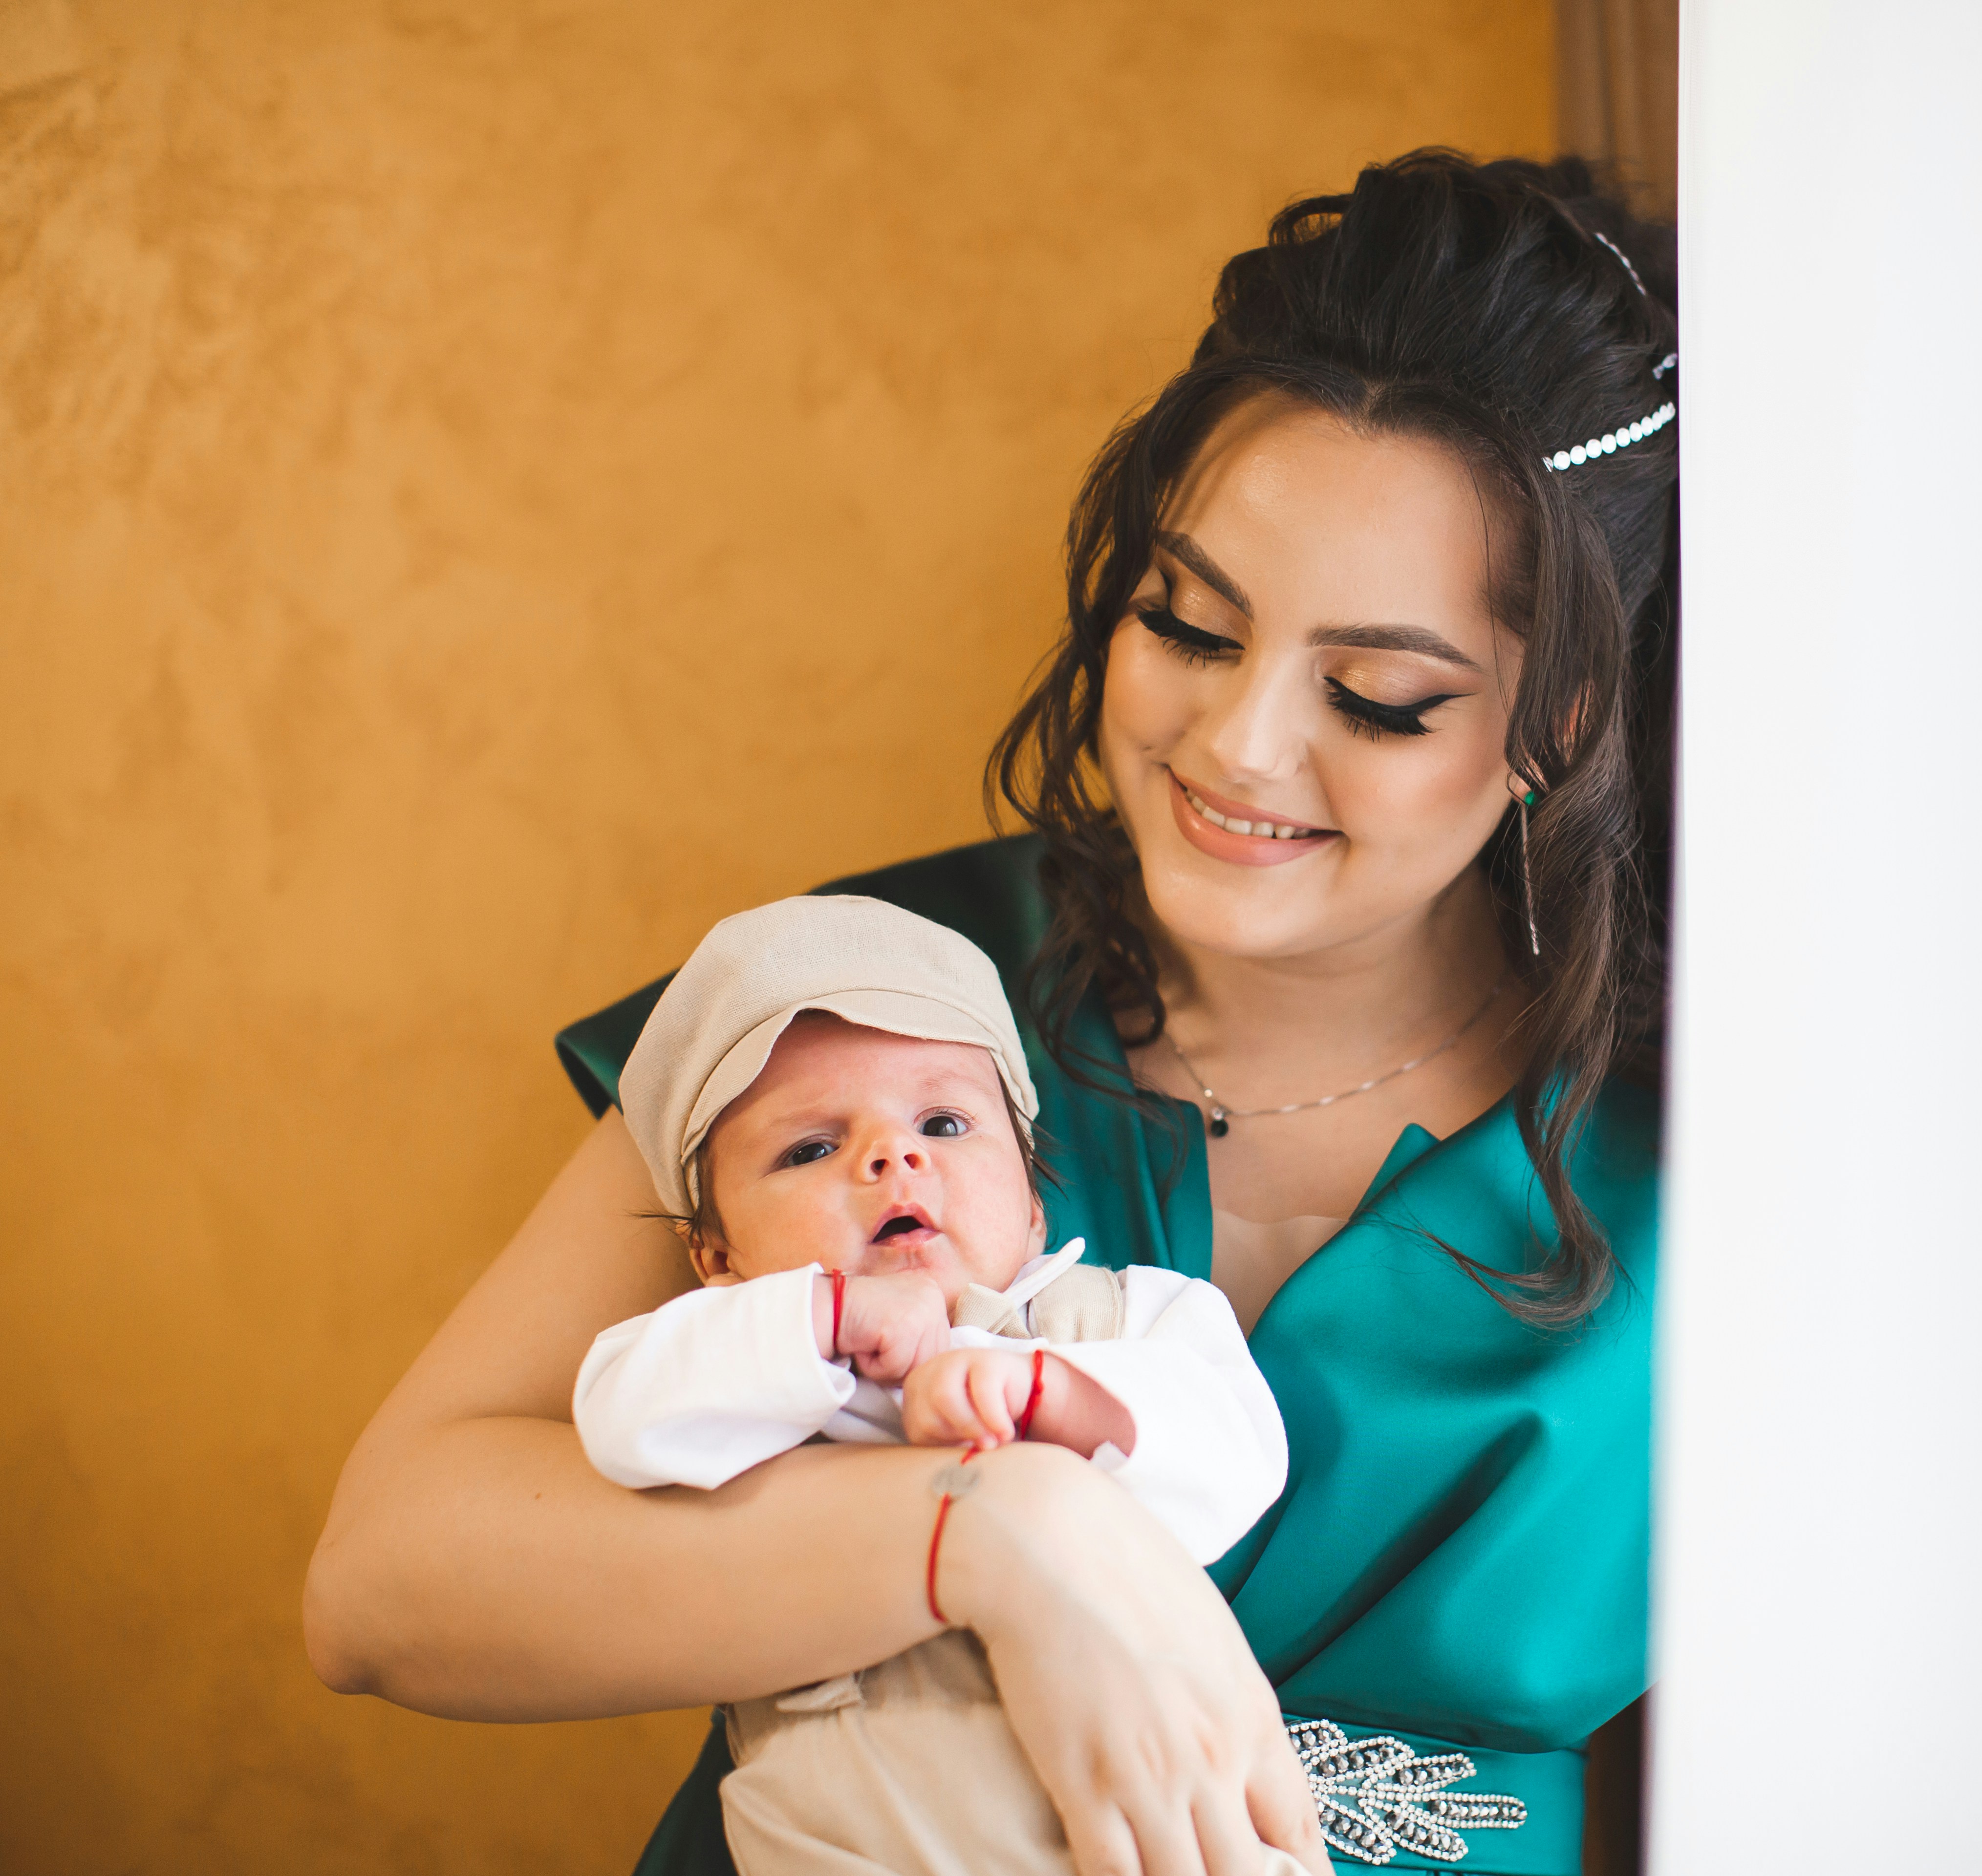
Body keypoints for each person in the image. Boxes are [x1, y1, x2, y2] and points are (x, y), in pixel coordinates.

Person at [304, 148, 1676, 1876]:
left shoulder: (1706, 1155)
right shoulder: (875, 994)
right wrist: (989, 1536)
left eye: (1382, 698)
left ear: (1566, 722)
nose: (1240, 747)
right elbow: (385, 1581)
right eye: (1186, 621)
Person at [575, 893, 1295, 1876]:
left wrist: (1053, 1396)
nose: (891, 1156)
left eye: (945, 1122)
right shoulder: (740, 1347)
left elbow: (1237, 1454)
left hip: (1146, 1825)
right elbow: (623, 1417)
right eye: (811, 1149)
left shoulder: (1123, 1318)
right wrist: (821, 1324)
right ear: (717, 1256)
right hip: (846, 1838)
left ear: (1036, 1207)